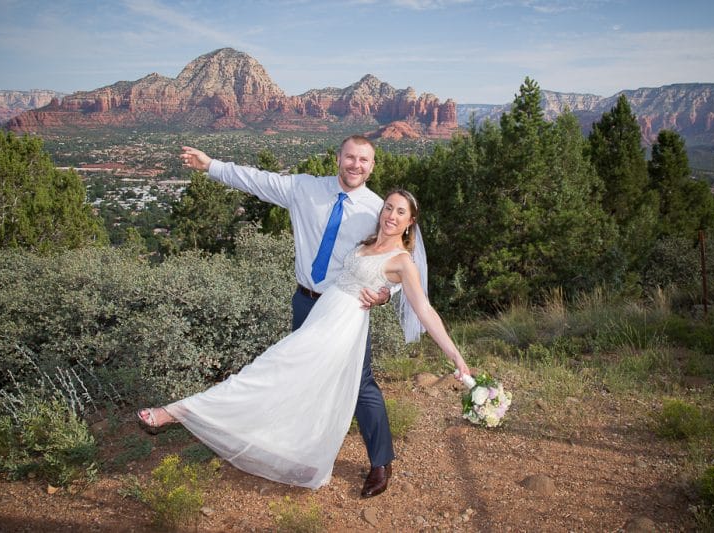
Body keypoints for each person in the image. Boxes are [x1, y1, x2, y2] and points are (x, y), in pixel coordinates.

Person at [137, 189, 471, 493]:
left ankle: (176, 412)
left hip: (340, 330)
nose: (391, 216)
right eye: (387, 208)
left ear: (410, 222)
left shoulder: (402, 261)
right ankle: (299, 451)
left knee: (269, 371)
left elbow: (424, 309)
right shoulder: (367, 242)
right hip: (321, 316)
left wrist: (455, 356)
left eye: (400, 212)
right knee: (299, 384)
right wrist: (382, 293)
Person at [172, 135, 395, 497]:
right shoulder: (304, 188)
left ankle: (380, 463)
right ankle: (301, 453)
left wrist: (387, 293)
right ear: (338, 158)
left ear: (372, 165)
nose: (356, 165)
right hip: (306, 302)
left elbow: (398, 258)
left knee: (360, 384)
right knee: (299, 377)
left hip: (347, 308)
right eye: (350, 157)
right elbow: (255, 179)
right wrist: (209, 165)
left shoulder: (377, 210)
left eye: (364, 160)